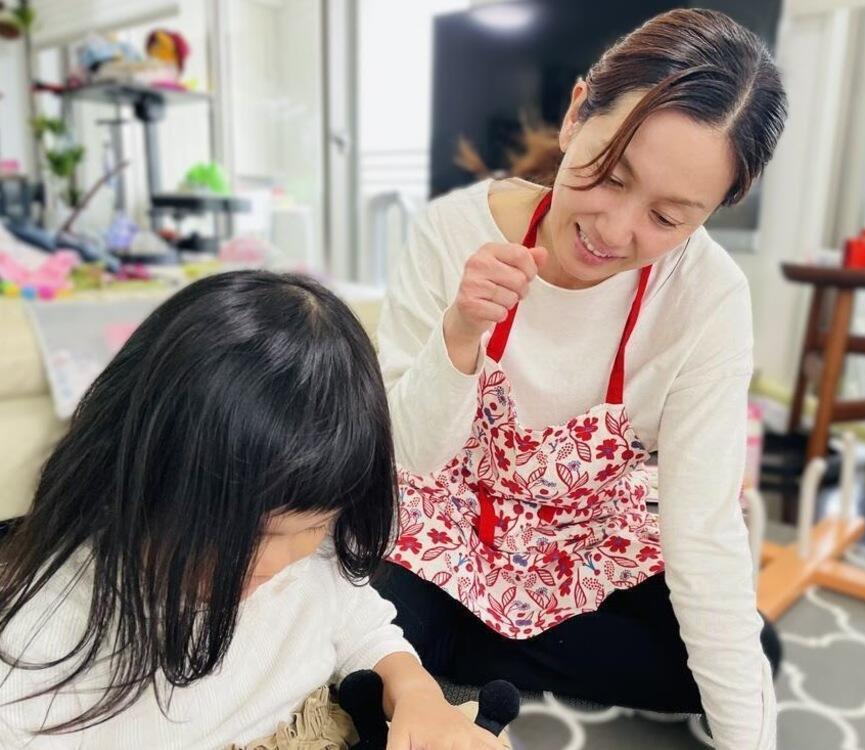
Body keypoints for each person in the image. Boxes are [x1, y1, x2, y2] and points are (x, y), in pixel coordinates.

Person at [374, 8, 788, 749]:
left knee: (750, 655)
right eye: (610, 175)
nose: (614, 231)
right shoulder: (452, 230)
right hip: (451, 531)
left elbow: (702, 531)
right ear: (575, 116)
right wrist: (459, 336)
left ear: (710, 214)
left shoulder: (709, 298)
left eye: (668, 217)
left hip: (584, 541)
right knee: (365, 622)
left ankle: (473, 646)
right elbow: (410, 455)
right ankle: (463, 639)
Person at [0, 271, 504, 750]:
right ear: (145, 477)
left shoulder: (313, 562)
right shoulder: (44, 640)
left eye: (312, 525)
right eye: (245, 532)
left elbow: (360, 624)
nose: (270, 563)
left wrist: (416, 691)